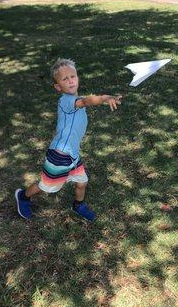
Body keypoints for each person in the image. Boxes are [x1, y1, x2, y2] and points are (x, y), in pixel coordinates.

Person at [15, 58, 122, 222]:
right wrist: (104, 98)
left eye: (73, 76)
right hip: (59, 155)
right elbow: (86, 101)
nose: (70, 80)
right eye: (65, 79)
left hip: (72, 154)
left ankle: (78, 205)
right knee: (47, 187)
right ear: (58, 87)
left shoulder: (78, 99)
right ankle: (23, 196)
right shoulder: (66, 101)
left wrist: (106, 98)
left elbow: (85, 100)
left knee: (82, 181)